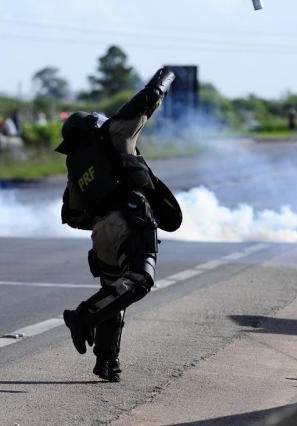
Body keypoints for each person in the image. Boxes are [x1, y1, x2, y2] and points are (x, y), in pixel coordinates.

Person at [57, 68, 183, 382]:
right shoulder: (113, 135)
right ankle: (82, 316)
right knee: (140, 280)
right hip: (130, 219)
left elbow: (72, 216)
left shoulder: (75, 166)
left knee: (115, 292)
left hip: (101, 235)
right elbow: (145, 102)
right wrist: (167, 76)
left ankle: (106, 361)